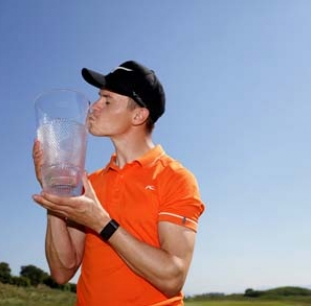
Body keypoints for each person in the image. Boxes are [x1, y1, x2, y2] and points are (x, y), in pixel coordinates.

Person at [32, 60, 205, 306]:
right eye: (97, 98)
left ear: (138, 115)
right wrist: (54, 191)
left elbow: (172, 277)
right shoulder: (89, 183)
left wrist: (102, 222)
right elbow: (63, 271)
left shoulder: (175, 178)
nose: (93, 107)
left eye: (107, 100)